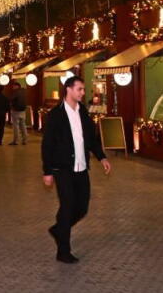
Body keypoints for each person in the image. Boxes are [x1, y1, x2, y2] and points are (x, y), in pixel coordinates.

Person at [40, 76, 111, 263]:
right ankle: (63, 251)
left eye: (83, 89)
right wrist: (47, 171)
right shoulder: (56, 115)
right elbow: (47, 145)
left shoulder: (83, 112)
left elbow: (91, 139)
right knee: (67, 205)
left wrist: (101, 156)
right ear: (69, 89)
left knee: (82, 207)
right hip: (63, 168)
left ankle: (58, 229)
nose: (82, 92)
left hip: (81, 167)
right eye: (79, 89)